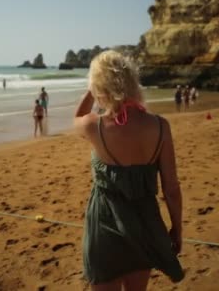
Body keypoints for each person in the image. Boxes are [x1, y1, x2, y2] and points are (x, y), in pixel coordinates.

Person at [73, 51, 184, 289]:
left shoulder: (95, 126)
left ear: (99, 85)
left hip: (104, 223)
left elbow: (78, 117)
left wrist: (93, 89)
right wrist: (177, 228)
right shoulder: (160, 126)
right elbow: (171, 187)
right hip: (144, 223)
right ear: (133, 81)